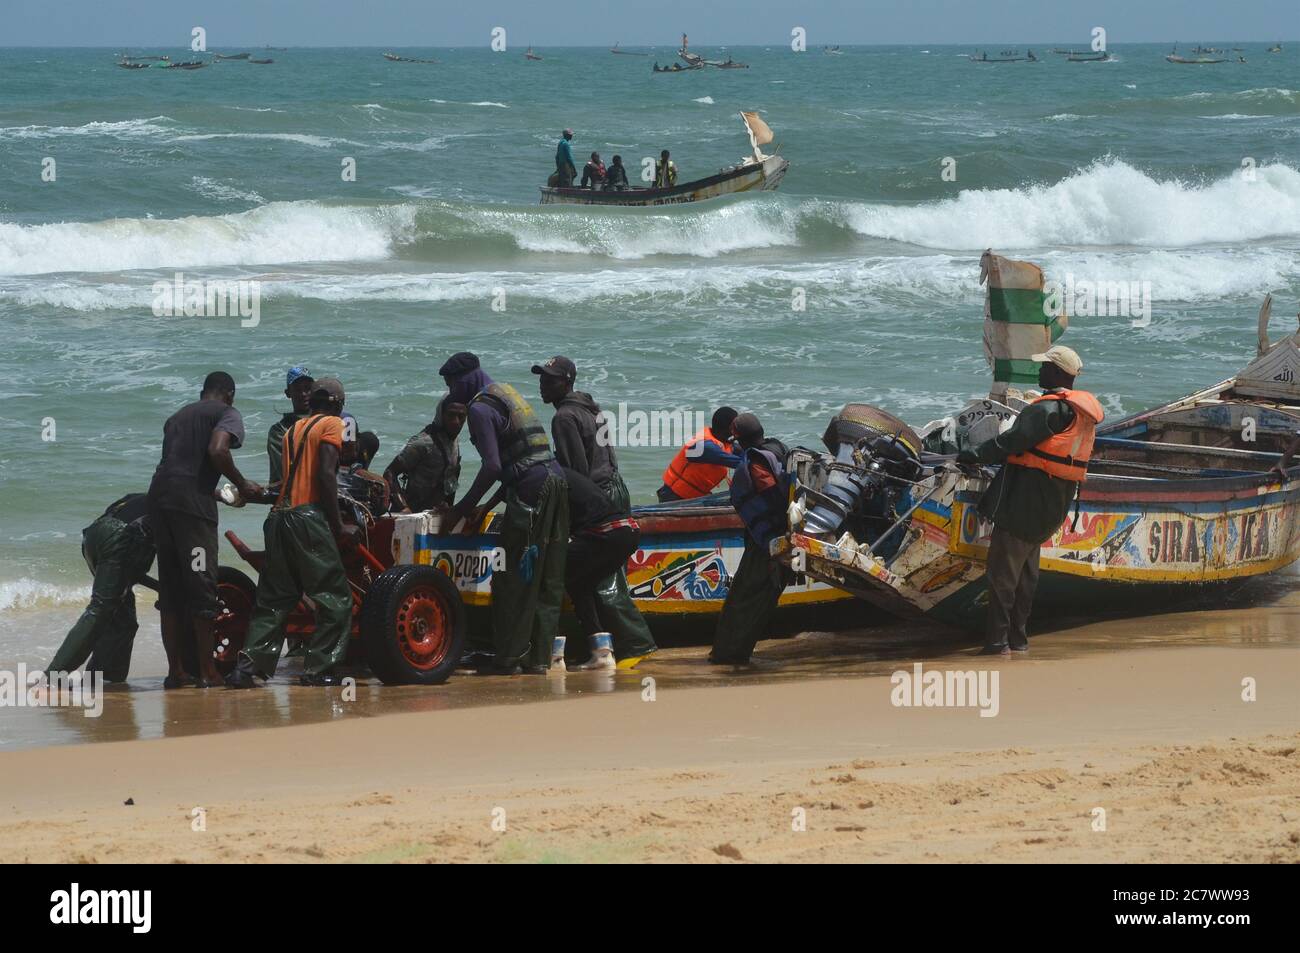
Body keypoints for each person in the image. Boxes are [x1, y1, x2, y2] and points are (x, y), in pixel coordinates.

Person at [957, 345, 1104, 656]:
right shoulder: (1079, 413)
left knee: (1003, 576)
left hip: (1023, 503)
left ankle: (997, 642)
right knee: (1027, 575)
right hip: (1052, 505)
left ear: (1057, 373)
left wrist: (971, 454)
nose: (1038, 371)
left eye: (1044, 367)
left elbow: (1010, 442)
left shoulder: (1045, 409)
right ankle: (1019, 640)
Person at [440, 353, 569, 675]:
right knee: (548, 578)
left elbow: (494, 466)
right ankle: (538, 659)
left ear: (467, 378)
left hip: (531, 492)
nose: (450, 392)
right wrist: (486, 507)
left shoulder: (479, 409)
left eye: (451, 384)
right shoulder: (507, 393)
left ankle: (508, 658)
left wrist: (460, 509)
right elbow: (522, 460)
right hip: (556, 483)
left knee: (514, 575)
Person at [227, 378, 359, 688]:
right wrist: (338, 526)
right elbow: (326, 474)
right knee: (336, 597)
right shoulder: (331, 425)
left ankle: (246, 668)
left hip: (278, 518)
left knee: (274, 598)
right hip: (306, 518)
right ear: (338, 404)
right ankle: (318, 670)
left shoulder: (290, 431)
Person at [533, 356, 656, 664]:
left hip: (598, 494)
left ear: (566, 382)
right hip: (616, 489)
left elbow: (575, 471)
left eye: (549, 379)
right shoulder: (590, 408)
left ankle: (633, 646)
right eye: (541, 378)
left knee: (602, 582)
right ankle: (614, 647)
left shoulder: (564, 416)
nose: (542, 384)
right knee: (607, 576)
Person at [148, 372, 262, 688]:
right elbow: (217, 450)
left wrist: (218, 494)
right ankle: (208, 672)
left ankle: (175, 672)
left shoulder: (176, 418)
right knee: (202, 586)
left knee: (170, 591)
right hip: (191, 512)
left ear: (203, 393)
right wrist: (242, 484)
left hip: (160, 500)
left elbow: (179, 469)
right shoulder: (227, 414)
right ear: (230, 395)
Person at [43, 494, 157, 685]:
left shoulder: (139, 499)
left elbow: (129, 571)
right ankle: (52, 677)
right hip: (119, 538)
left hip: (94, 537)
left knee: (124, 621)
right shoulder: (176, 509)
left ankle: (102, 677)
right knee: (101, 608)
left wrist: (159, 588)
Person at [710, 414, 792, 665]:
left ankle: (730, 654)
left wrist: (774, 537)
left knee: (744, 597)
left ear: (740, 440)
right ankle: (734, 651)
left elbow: (771, 494)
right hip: (782, 535)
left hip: (768, 541)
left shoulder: (756, 462)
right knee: (759, 597)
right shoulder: (778, 448)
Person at [560, 466, 643, 669]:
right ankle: (603, 654)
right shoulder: (567, 475)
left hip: (608, 534)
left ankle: (554, 655)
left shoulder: (549, 479)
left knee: (560, 578)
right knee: (582, 585)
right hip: (629, 530)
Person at [386, 399, 466, 513]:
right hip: (410, 514)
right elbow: (389, 472)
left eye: (461, 416)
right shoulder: (424, 443)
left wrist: (448, 507)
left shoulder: (453, 440)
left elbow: (451, 478)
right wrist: (403, 507)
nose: (456, 422)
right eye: (451, 415)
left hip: (434, 514)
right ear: (441, 415)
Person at [657, 406, 740, 502]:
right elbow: (740, 463)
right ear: (728, 428)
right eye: (736, 427)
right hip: (673, 496)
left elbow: (742, 452)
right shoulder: (704, 447)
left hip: (694, 495)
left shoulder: (721, 441)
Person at [267, 365, 314, 486]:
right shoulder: (279, 431)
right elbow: (282, 473)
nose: (304, 394)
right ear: (288, 393)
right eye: (298, 389)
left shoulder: (324, 421)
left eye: (308, 388)